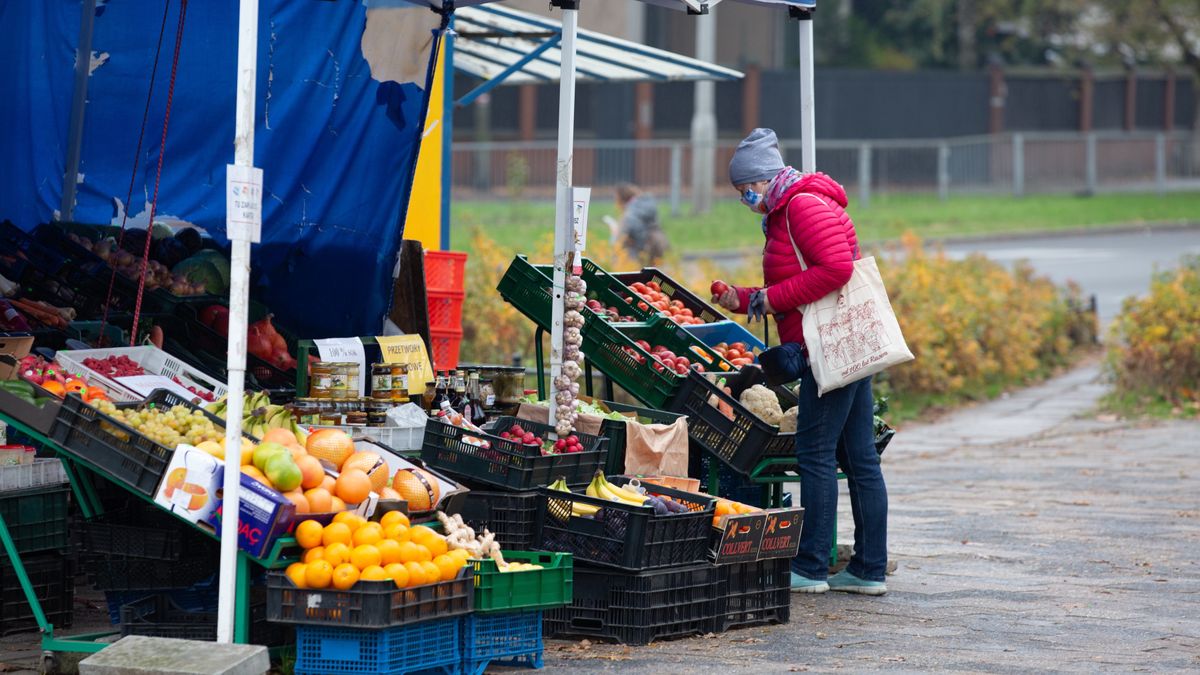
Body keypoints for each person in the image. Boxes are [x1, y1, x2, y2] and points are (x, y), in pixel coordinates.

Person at [712, 128, 889, 596]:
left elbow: (836, 270)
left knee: (814, 454)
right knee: (858, 458)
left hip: (829, 348)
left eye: (744, 188)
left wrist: (769, 300)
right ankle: (869, 569)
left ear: (763, 179)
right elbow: (797, 281)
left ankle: (811, 567)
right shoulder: (787, 209)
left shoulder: (802, 207)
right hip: (841, 342)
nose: (743, 198)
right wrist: (744, 298)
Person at [608, 183, 669, 266]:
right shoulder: (646, 207)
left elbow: (617, 242)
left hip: (637, 256)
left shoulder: (629, 215)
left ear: (620, 200)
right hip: (656, 248)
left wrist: (615, 232)